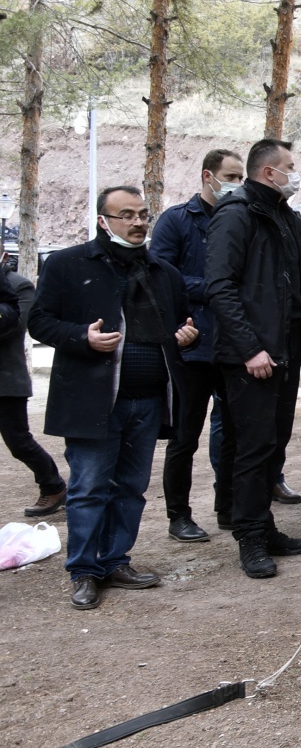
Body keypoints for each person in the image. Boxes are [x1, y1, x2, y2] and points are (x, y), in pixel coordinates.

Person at [30, 187, 195, 609]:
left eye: (143, 214)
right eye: (126, 215)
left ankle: (115, 561)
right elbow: (40, 321)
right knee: (88, 488)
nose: (138, 222)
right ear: (103, 220)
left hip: (149, 400)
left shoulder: (164, 272)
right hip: (92, 400)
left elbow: (180, 327)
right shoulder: (67, 264)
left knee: (131, 488)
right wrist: (80, 337)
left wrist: (188, 337)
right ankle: (84, 571)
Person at [207, 138, 301, 579]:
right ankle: (249, 537)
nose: (295, 173)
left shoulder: (287, 217)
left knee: (273, 445)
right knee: (253, 447)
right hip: (252, 357)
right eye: (290, 166)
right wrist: (250, 348)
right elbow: (221, 287)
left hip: (284, 353)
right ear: (268, 172)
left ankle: (264, 526)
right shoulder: (237, 214)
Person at [151, 148, 241, 542]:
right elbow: (160, 276)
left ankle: (228, 507)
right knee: (185, 436)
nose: (237, 185)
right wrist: (216, 291)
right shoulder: (176, 220)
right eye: (231, 176)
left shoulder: (240, 218)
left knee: (234, 432)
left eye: (241, 177)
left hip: (234, 344)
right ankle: (179, 516)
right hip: (191, 345)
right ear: (208, 176)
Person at [1, 267, 65, 516]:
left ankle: (54, 486)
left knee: (19, 442)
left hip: (6, 379)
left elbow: (15, 325)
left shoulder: (19, 285)